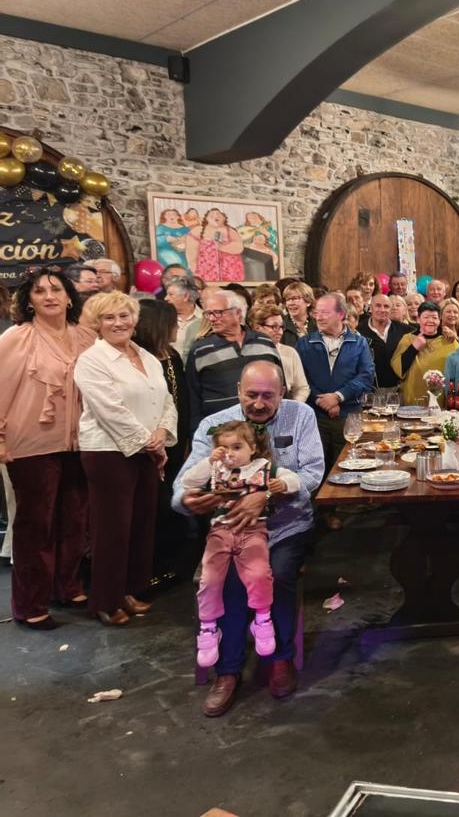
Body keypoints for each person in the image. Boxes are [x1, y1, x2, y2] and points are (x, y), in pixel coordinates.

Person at [173, 362, 323, 716]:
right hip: (230, 528)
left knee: (281, 575)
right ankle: (227, 670)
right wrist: (189, 500)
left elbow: (313, 472)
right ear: (239, 389)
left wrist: (267, 496)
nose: (258, 403)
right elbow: (183, 484)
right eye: (251, 394)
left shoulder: (301, 416)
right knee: (227, 579)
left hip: (287, 525)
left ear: (282, 393)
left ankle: (279, 658)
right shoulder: (214, 426)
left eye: (268, 396)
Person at [75, 292, 177, 626]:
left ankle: (130, 590)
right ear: (98, 324)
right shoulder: (92, 360)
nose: (118, 323)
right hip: (108, 452)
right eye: (109, 318)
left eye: (124, 316)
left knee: (140, 525)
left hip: (146, 448)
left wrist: (162, 432)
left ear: (135, 319)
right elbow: (109, 410)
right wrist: (149, 442)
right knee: (112, 528)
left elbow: (165, 400)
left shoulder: (146, 356)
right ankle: (105, 599)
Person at [0, 268, 94, 629]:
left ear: (70, 297)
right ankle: (30, 603)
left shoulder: (85, 336)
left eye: (57, 289)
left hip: (81, 441)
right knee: (35, 525)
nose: (49, 296)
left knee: (75, 519)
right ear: (29, 300)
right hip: (31, 444)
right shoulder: (17, 337)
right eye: (39, 291)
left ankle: (67, 587)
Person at [180, 420, 301, 667]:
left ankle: (263, 618)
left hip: (254, 531)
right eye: (224, 448)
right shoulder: (216, 470)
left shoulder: (263, 467)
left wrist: (282, 485)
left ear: (252, 448)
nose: (231, 454)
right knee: (210, 578)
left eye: (237, 447)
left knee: (259, 573)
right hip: (220, 531)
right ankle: (209, 626)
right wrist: (210, 461)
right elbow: (188, 482)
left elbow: (294, 480)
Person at [133, 298, 192, 584]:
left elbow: (183, 399)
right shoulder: (138, 359)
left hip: (176, 440)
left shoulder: (172, 355)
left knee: (171, 501)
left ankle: (172, 562)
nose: (177, 328)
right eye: (173, 322)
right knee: (152, 507)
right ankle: (150, 567)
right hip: (148, 442)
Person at [295, 293, 375, 487]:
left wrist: (338, 397)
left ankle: (345, 513)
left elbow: (366, 376)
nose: (319, 317)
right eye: (317, 313)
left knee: (349, 466)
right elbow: (300, 379)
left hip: (349, 416)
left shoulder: (359, 342)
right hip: (315, 416)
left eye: (325, 313)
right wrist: (322, 400)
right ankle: (318, 513)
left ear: (341, 314)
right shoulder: (305, 343)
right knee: (314, 467)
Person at [185, 289, 281, 432]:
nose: (212, 318)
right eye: (208, 313)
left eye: (218, 312)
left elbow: (280, 385)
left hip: (266, 430)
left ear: (238, 313)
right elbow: (193, 399)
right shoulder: (200, 350)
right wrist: (197, 434)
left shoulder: (264, 342)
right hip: (220, 433)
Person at [391, 302, 458, 407]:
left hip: (442, 399)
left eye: (434, 317)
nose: (430, 321)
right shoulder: (408, 339)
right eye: (426, 317)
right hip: (413, 397)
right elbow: (397, 369)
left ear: (439, 320)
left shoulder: (449, 340)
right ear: (418, 319)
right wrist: (413, 348)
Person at [248, 303, 310, 402]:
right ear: (257, 327)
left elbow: (302, 388)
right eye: (274, 327)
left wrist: (293, 407)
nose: (280, 332)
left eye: (281, 327)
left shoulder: (290, 352)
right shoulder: (247, 353)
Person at [358, 293, 404, 389]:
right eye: (378, 306)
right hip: (370, 391)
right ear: (370, 308)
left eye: (386, 306)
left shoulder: (404, 330)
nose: (382, 310)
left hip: (399, 390)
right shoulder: (359, 331)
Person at [164, 275, 204, 358]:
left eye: (171, 295)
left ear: (186, 296)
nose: (166, 298)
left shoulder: (205, 319)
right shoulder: (163, 319)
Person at [281, 281, 318, 346]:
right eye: (288, 299)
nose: (291, 303)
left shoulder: (318, 325)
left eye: (295, 298)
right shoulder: (280, 325)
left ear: (308, 301)